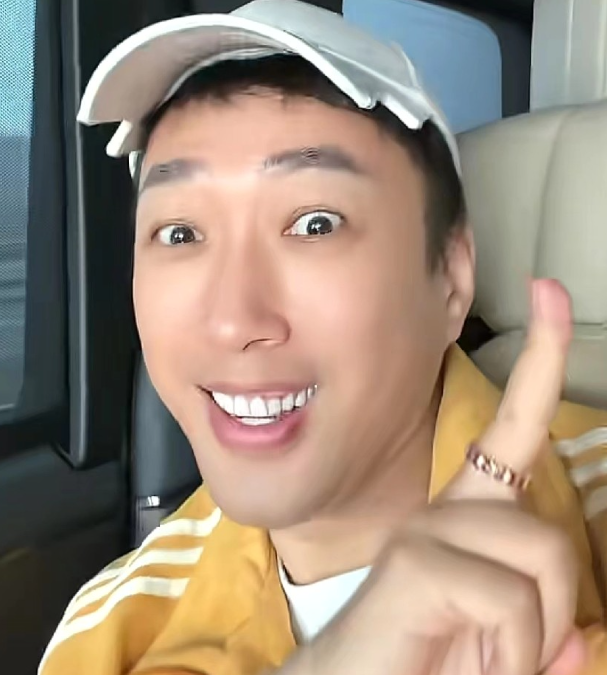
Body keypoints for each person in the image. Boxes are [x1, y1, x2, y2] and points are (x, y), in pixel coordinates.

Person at [39, 1, 607, 674]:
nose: (232, 321)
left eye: (315, 224)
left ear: (451, 280)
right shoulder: (109, 628)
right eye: (180, 233)